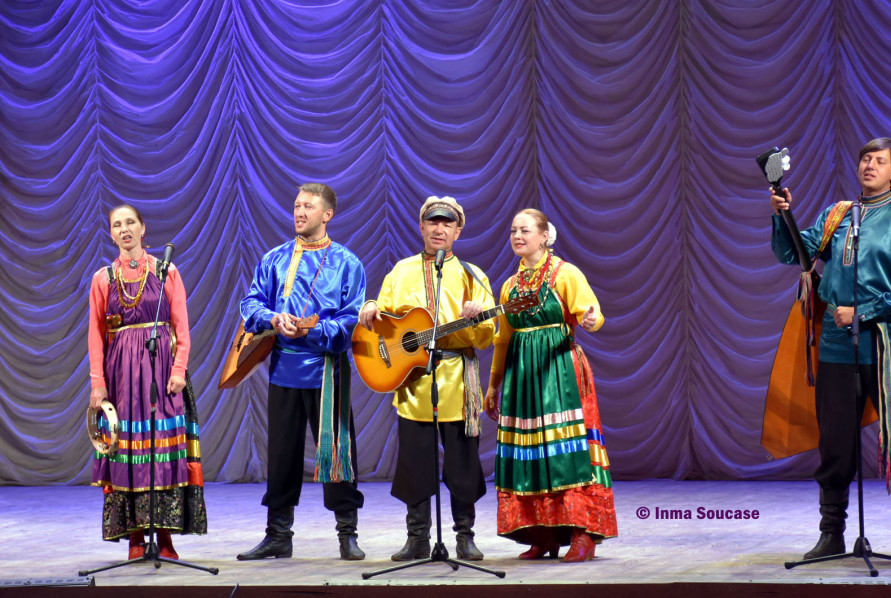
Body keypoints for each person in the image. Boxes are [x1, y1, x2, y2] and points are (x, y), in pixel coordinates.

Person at [769, 137, 891, 563]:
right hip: (837, 347)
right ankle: (831, 534)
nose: (869, 165)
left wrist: (865, 311)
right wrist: (784, 216)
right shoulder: (837, 216)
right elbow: (791, 254)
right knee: (834, 445)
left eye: (879, 160)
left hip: (890, 347)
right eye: (865, 158)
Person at [358, 195, 494, 561]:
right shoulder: (400, 271)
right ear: (421, 227)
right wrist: (370, 306)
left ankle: (465, 536)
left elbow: (488, 335)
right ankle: (417, 537)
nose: (439, 228)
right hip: (414, 383)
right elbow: (381, 316)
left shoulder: (473, 276)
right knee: (415, 464)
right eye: (432, 222)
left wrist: (477, 318)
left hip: (457, 382)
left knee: (463, 466)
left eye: (447, 224)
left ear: (458, 231)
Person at [237, 183, 367, 561]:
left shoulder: (347, 262)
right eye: (296, 205)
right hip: (284, 369)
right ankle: (278, 534)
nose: (299, 211)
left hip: (327, 370)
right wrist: (272, 317)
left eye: (308, 206)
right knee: (281, 455)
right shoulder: (275, 259)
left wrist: (317, 329)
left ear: (327, 214)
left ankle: (347, 533)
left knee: (338, 451)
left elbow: (351, 319)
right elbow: (251, 302)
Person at [484, 208, 617, 563]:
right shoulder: (510, 286)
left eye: (525, 230)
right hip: (521, 378)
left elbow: (593, 314)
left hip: (559, 372)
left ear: (544, 236)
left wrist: (590, 320)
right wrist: (494, 384)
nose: (517, 236)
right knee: (530, 455)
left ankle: (582, 534)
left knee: (567, 454)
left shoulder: (565, 273)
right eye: (513, 230)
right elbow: (502, 339)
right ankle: (542, 535)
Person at [88, 204, 207, 560]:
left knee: (162, 450)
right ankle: (137, 536)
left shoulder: (166, 271)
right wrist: (98, 382)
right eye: (116, 225)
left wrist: (179, 369)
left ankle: (166, 537)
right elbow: (95, 334)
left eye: (130, 223)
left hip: (161, 372)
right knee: (127, 450)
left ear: (143, 229)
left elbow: (182, 325)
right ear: (111, 234)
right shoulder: (103, 278)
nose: (124, 229)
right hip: (121, 375)